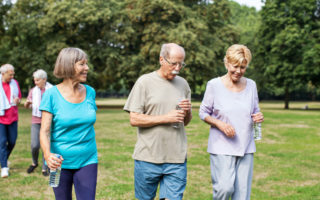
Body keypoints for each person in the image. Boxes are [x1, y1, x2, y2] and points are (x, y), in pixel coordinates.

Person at [124, 43, 192, 200]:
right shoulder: (144, 82)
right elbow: (134, 119)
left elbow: (186, 122)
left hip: (176, 158)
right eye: (173, 63)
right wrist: (165, 118)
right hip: (148, 158)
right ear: (162, 59)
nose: (177, 68)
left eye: (181, 64)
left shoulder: (183, 84)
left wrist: (187, 111)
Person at [199, 44, 264, 200]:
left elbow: (255, 110)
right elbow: (203, 113)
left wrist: (258, 117)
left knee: (242, 195)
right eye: (235, 66)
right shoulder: (214, 85)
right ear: (226, 63)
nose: (238, 71)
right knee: (225, 188)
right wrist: (220, 124)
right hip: (221, 146)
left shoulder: (252, 85)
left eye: (243, 67)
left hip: (246, 146)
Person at [39, 47, 98, 200]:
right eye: (82, 64)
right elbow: (44, 131)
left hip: (88, 159)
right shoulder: (51, 95)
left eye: (86, 64)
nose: (87, 68)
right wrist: (47, 155)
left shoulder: (90, 92)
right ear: (69, 66)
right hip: (58, 163)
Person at [24, 69, 53, 176]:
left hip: (48, 121)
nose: (35, 83)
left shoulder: (52, 90)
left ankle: (45, 168)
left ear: (44, 79)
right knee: (35, 145)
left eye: (37, 80)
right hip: (36, 120)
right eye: (34, 80)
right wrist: (27, 103)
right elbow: (27, 106)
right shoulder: (33, 91)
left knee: (46, 144)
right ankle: (34, 162)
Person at [0, 64, 21, 178]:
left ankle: (3, 159)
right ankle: (4, 167)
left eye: (13, 74)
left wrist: (17, 100)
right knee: (2, 142)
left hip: (13, 117)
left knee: (12, 141)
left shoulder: (15, 83)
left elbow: (18, 98)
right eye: (10, 74)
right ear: (3, 74)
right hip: (1, 118)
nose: (12, 76)